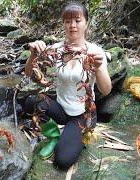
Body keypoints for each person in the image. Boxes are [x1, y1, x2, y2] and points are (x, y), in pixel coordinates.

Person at [24, 1, 112, 170]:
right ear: (63, 23)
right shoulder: (56, 50)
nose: (72, 25)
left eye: (77, 20)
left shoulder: (95, 52)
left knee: (63, 161)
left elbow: (106, 90)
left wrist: (99, 68)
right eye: (67, 21)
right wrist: (33, 54)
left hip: (83, 114)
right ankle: (53, 135)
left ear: (86, 23)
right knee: (31, 101)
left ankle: (76, 135)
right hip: (61, 108)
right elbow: (29, 73)